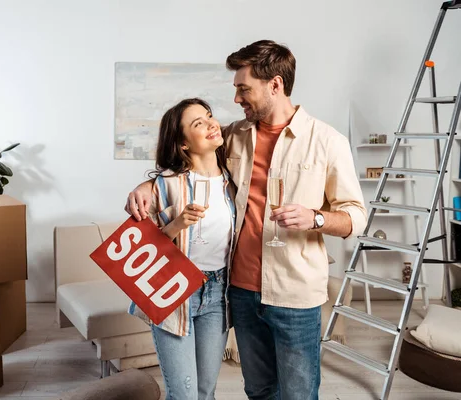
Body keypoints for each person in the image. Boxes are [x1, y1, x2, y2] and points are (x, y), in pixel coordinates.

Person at [126, 40, 367, 400]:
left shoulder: (328, 141)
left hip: (295, 293)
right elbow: (187, 159)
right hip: (239, 292)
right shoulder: (234, 135)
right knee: (259, 391)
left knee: (299, 393)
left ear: (275, 85)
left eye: (243, 89)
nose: (237, 99)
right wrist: (148, 185)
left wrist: (315, 217)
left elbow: (356, 218)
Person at [128, 98, 237, 400]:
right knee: (184, 395)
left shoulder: (233, 182)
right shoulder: (165, 185)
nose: (211, 124)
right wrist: (176, 225)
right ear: (184, 144)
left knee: (206, 391)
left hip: (218, 292)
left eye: (209, 117)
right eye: (198, 124)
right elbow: (141, 252)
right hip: (174, 292)